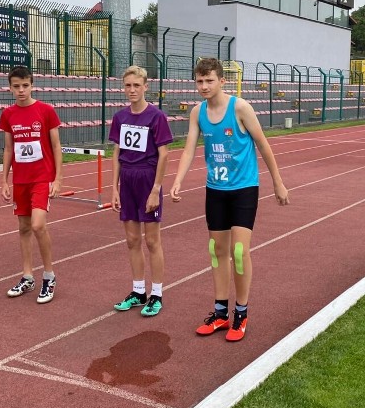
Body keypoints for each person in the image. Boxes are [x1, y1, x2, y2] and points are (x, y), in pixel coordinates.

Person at [170, 58, 289, 342]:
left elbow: (263, 144)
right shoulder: (197, 113)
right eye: (199, 81)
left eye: (209, 80)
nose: (204, 86)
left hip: (244, 189)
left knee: (238, 252)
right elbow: (189, 150)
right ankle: (220, 312)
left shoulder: (240, 108)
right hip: (216, 190)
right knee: (216, 250)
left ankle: (241, 313)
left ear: (222, 81)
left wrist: (278, 182)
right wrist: (177, 180)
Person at [109, 66, 174, 317]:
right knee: (132, 240)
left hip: (148, 178)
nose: (132, 90)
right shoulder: (120, 117)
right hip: (127, 179)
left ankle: (156, 293)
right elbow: (116, 154)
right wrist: (113, 188)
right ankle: (138, 291)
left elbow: (164, 154)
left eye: (137, 85)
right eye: (128, 86)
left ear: (146, 86)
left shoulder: (156, 117)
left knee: (152, 240)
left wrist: (156, 189)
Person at [0, 65, 63, 303]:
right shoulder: (8, 114)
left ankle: (49, 275)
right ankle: (27, 276)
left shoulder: (46, 111)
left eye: (25, 86)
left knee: (38, 225)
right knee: (24, 228)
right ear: (10, 88)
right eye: (16, 86)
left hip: (41, 177)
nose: (21, 90)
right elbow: (8, 149)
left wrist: (58, 178)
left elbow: (56, 146)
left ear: (32, 85)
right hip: (21, 179)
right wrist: (4, 180)